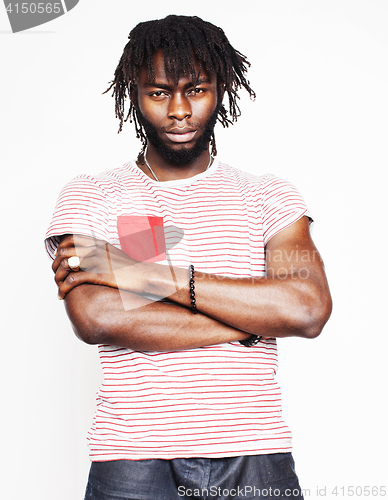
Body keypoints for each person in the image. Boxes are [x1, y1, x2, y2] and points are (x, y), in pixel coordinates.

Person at [45, 15, 332, 500]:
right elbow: (95, 316)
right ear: (133, 94)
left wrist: (137, 273)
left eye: (195, 89)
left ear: (222, 89)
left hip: (252, 448)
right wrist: (255, 320)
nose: (179, 110)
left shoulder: (268, 197)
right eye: (158, 92)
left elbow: (305, 308)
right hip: (130, 453)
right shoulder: (90, 195)